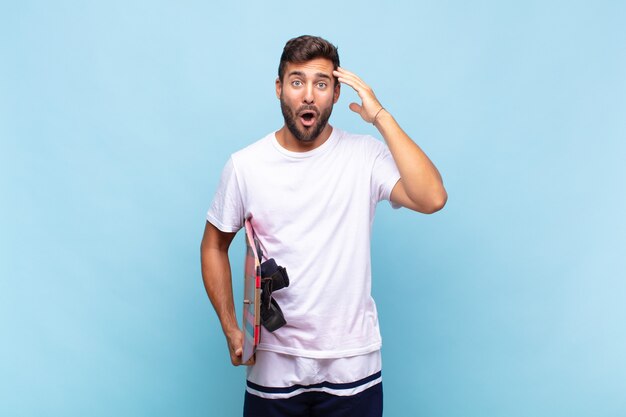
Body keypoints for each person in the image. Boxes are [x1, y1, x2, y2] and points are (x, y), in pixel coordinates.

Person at [200, 35, 447, 417]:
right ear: (279, 88)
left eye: (321, 83)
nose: (309, 95)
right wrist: (231, 327)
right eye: (297, 81)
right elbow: (214, 245)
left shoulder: (365, 155)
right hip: (273, 365)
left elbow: (432, 198)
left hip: (353, 362)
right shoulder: (245, 165)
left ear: (334, 92)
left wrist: (380, 115)